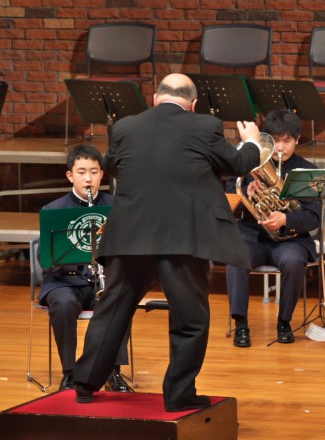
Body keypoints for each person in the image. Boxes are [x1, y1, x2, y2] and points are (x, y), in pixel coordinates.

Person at [73, 73, 262, 412]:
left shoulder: (126, 127)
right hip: (183, 239)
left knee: (112, 310)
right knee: (190, 319)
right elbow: (238, 164)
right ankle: (178, 394)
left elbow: (111, 167)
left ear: (155, 98)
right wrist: (251, 141)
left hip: (129, 236)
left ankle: (85, 384)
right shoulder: (205, 126)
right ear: (193, 104)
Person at [38, 144, 133, 392]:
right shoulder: (53, 210)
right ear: (70, 175)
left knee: (120, 298)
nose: (88, 178)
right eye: (81, 172)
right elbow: (44, 258)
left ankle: (112, 372)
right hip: (64, 282)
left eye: (93, 171)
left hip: (103, 280)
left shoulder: (117, 207)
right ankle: (70, 372)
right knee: (63, 303)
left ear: (102, 174)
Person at [226, 109, 321, 347]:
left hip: (291, 239)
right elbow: (229, 203)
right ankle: (241, 324)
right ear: (265, 140)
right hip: (253, 236)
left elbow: (313, 218)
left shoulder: (307, 171)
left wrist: (286, 220)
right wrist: (246, 195)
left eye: (287, 141)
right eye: (275, 141)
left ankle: (284, 322)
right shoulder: (249, 164)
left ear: (297, 139)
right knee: (236, 256)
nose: (280, 148)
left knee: (293, 260)